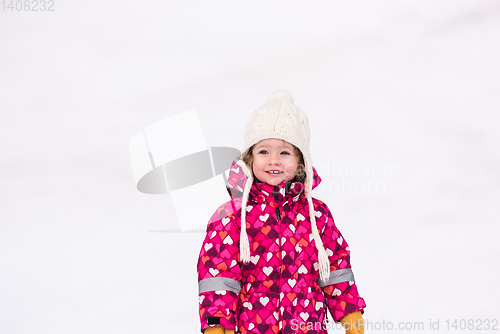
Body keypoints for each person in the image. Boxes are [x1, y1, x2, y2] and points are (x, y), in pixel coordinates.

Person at [197, 90, 366, 334]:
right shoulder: (231, 216)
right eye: (264, 151)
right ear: (249, 158)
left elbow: (336, 266)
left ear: (300, 160)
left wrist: (351, 315)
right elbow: (218, 275)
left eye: (284, 152)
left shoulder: (316, 214)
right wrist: (216, 325)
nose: (273, 160)